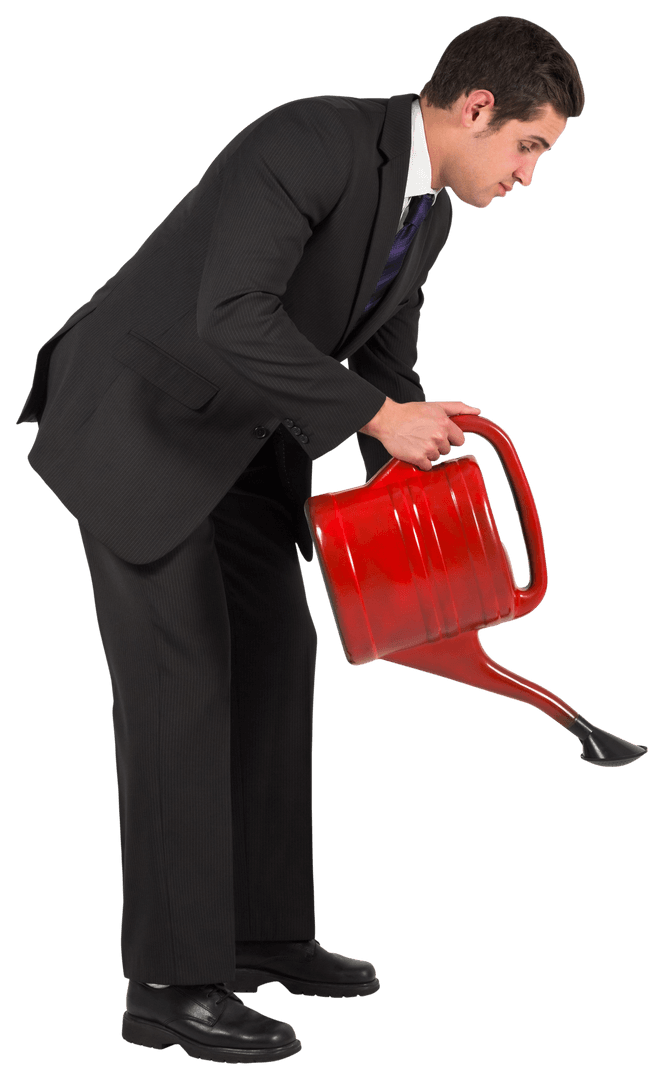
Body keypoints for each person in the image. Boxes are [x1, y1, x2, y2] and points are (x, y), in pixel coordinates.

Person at [16, 14, 583, 1067]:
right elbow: (233, 313)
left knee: (279, 657)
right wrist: (374, 421)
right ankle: (171, 986)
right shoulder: (310, 140)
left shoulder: (430, 218)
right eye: (528, 148)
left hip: (235, 450)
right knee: (180, 685)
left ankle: (261, 931)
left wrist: (427, 481)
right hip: (138, 426)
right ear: (477, 108)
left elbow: (388, 373)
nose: (525, 177)